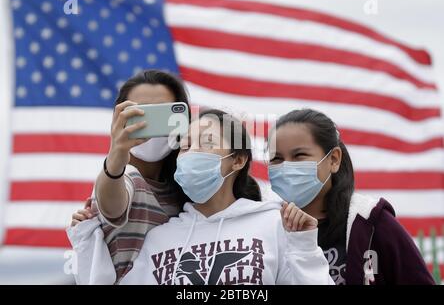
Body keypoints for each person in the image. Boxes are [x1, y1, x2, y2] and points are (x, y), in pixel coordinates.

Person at [67, 109, 333, 285]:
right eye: (185, 146)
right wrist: (88, 241)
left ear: (238, 160)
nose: (192, 152)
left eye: (205, 143)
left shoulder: (275, 223)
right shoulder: (159, 237)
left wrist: (304, 247)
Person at [267, 108, 435, 285]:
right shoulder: (266, 227)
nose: (286, 167)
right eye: (276, 158)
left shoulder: (371, 223)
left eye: (299, 155)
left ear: (333, 160)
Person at [71, 69, 190, 282]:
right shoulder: (124, 177)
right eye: (140, 114)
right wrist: (116, 154)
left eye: (162, 114)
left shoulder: (189, 185)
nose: (150, 126)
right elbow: (112, 205)